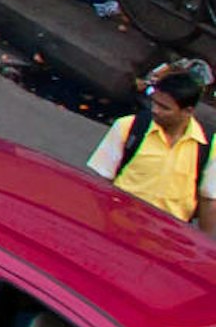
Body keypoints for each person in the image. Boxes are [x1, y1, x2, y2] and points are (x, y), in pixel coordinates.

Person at [91, 63, 216, 224]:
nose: (155, 110)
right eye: (155, 103)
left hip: (169, 238)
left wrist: (206, 246)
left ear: (188, 112)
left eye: (165, 108)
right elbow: (101, 181)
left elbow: (209, 201)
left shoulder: (209, 146)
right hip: (119, 224)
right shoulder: (128, 127)